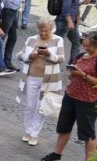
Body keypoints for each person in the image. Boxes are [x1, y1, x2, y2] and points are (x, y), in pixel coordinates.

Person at [40, 31, 97, 161]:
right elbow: (72, 74)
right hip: (71, 96)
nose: (85, 48)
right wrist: (72, 73)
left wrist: (83, 75)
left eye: (88, 46)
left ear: (96, 44)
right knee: (64, 126)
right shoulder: (80, 56)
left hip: (87, 100)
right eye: (83, 45)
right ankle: (57, 153)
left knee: (87, 131)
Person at [16, 16, 65, 146]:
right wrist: (30, 56)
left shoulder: (58, 40)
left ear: (51, 29)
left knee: (40, 107)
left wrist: (49, 54)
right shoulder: (31, 39)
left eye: (46, 31)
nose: (43, 33)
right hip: (31, 76)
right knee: (30, 106)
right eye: (41, 30)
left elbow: (61, 58)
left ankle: (34, 134)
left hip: (48, 80)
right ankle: (27, 131)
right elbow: (19, 55)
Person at [57, 0, 87, 64]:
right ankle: (48, 62)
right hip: (64, 22)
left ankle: (73, 64)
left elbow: (74, 5)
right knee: (56, 43)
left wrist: (82, 3)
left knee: (77, 42)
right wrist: (69, 21)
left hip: (72, 22)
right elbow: (65, 7)